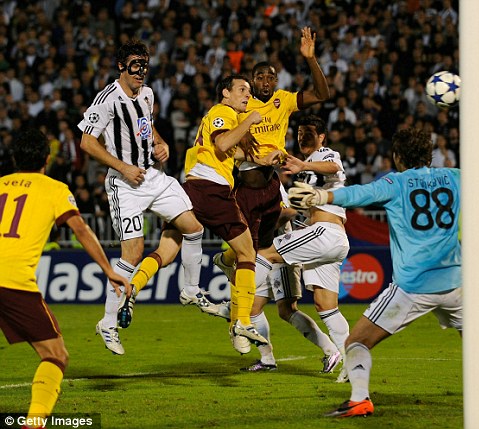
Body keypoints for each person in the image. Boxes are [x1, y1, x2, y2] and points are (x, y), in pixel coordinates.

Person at [288, 127, 479, 417]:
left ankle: (359, 399)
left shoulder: (395, 183)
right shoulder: (454, 177)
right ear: (428, 154)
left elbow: (357, 194)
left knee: (356, 342)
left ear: (397, 156)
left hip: (413, 286)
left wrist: (321, 197)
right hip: (455, 283)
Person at [118, 74, 278, 354]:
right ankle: (241, 321)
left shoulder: (221, 117)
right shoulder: (224, 112)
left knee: (166, 251)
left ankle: (132, 289)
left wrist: (259, 159)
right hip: (211, 190)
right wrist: (250, 120)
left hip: (191, 189)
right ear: (225, 93)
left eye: (249, 91)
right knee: (247, 253)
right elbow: (223, 144)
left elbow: (226, 151)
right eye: (242, 89)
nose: (247, 95)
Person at [77, 39, 210, 356]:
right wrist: (123, 167)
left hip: (153, 176)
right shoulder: (107, 99)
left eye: (145, 65)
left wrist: (160, 144)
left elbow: (147, 128)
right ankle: (108, 322)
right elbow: (86, 142)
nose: (141, 71)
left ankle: (191, 290)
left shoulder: (147, 95)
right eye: (136, 64)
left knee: (194, 228)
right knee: (133, 254)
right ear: (121, 66)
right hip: (124, 185)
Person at [0, 129, 132, 426]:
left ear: (14, 158)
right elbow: (80, 230)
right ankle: (34, 422)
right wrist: (109, 270)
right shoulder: (55, 189)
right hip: (12, 281)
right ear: (47, 159)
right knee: (55, 355)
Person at [213, 26, 330, 292]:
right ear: (252, 81)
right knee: (254, 244)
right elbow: (226, 135)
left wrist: (311, 59)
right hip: (246, 179)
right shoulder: (241, 103)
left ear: (276, 81)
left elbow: (322, 95)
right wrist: (250, 145)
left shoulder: (283, 100)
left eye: (270, 77)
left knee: (270, 235)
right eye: (260, 77)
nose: (265, 82)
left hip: (271, 181)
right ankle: (234, 273)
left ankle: (270, 291)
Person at [249, 115, 350, 380]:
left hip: (325, 233)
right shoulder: (304, 174)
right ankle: (351, 365)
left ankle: (236, 304)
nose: (303, 136)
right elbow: (299, 209)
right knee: (325, 305)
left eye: (309, 132)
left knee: (265, 255)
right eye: (299, 132)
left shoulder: (325, 155)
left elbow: (333, 166)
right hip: (329, 239)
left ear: (321, 137)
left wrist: (303, 164)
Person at [238, 185, 342, 373]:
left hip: (282, 254)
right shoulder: (246, 188)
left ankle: (331, 350)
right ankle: (267, 359)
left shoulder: (271, 185)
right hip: (263, 254)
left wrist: (262, 232)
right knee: (254, 308)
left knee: (287, 309)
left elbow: (288, 211)